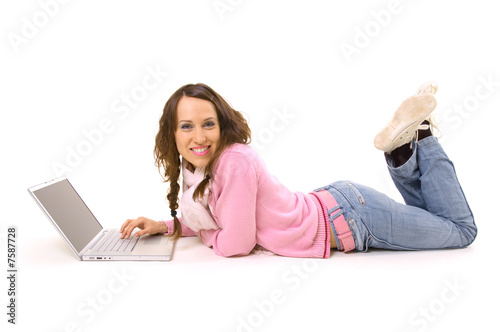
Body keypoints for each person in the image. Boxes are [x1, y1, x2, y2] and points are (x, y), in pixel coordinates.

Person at [120, 82, 477, 258]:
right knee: (431, 218)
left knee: (460, 231)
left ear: (222, 125)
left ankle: (423, 137)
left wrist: (210, 235)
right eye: (186, 126)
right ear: (172, 132)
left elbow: (236, 243)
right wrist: (166, 226)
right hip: (342, 208)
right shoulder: (201, 167)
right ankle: (403, 148)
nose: (198, 136)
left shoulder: (235, 162)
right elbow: (213, 218)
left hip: (354, 220)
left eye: (207, 124)